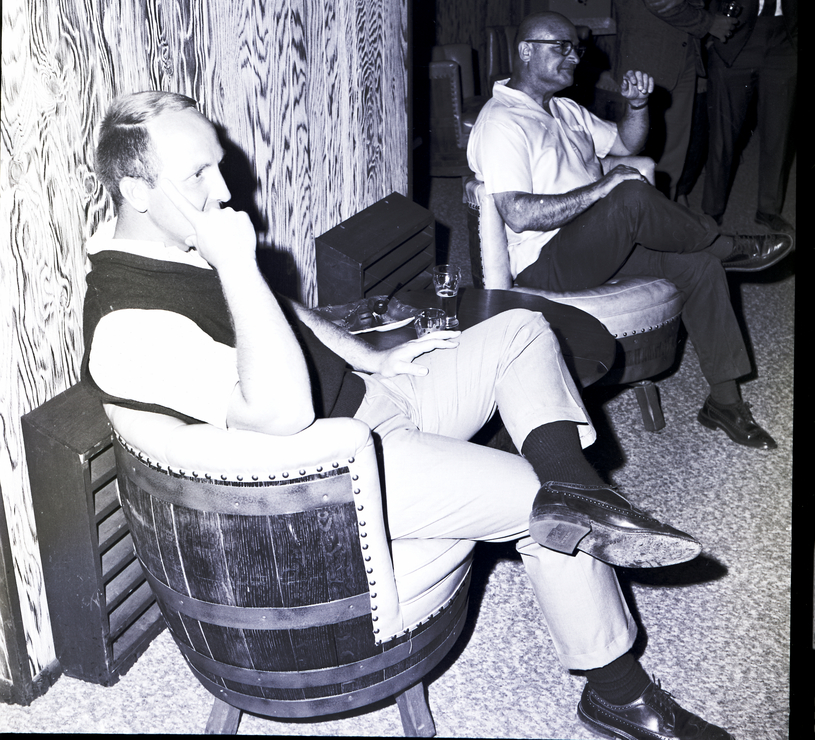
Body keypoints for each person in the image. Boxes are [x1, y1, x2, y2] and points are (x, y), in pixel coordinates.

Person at [81, 90, 735, 739]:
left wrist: (368, 356)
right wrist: (235, 264)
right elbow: (280, 413)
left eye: (217, 166)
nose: (224, 191)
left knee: (521, 332)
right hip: (339, 474)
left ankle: (577, 485)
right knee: (540, 505)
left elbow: (283, 307)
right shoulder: (126, 326)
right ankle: (618, 695)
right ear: (137, 190)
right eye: (198, 174)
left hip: (373, 402)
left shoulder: (178, 239)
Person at [467, 11, 793, 452]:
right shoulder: (501, 122)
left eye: (576, 49)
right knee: (628, 194)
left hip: (596, 243)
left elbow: (626, 143)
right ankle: (729, 245)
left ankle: (725, 401)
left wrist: (637, 106)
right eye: (561, 47)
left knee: (699, 265)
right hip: (546, 262)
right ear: (526, 51)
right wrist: (603, 189)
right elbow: (518, 214)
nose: (574, 58)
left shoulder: (565, 109)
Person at [610, 0, 738, 201]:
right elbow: (659, 0)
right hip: (644, 63)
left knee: (675, 152)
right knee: (637, 154)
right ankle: (635, 218)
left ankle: (666, 213)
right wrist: (709, 23)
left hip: (684, 57)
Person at [703, 0, 797, 234]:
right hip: (735, 36)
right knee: (723, 134)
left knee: (778, 132)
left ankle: (769, 209)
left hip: (784, 40)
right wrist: (710, 29)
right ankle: (711, 211)